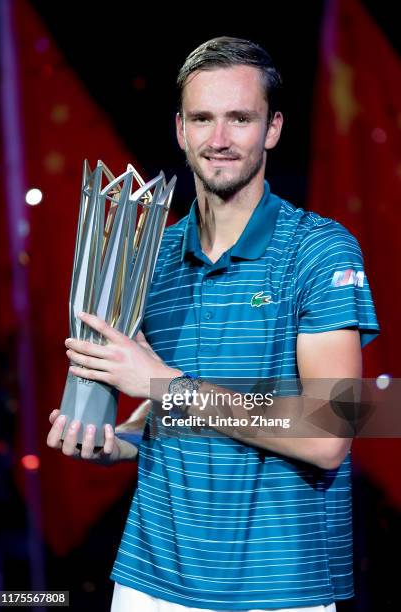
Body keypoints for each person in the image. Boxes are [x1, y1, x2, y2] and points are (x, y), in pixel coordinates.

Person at [47, 37, 379, 612]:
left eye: (239, 119)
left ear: (273, 128)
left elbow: (329, 434)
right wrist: (115, 442)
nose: (219, 139)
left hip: (279, 591)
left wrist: (161, 383)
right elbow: (166, 413)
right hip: (148, 585)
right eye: (203, 118)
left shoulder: (321, 251)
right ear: (181, 129)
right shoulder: (150, 254)